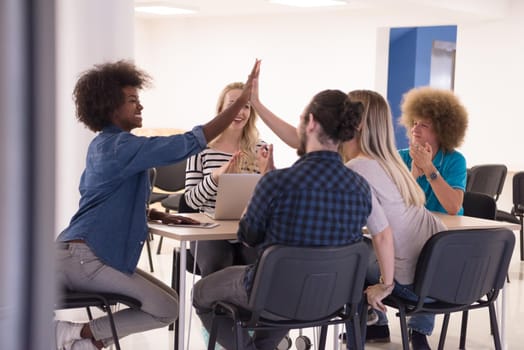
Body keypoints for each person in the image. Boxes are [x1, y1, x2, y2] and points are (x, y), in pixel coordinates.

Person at [54, 59, 259, 350]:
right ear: (110, 108)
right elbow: (189, 142)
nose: (141, 107)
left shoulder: (107, 145)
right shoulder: (120, 147)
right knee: (165, 309)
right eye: (132, 101)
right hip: (86, 258)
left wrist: (157, 215)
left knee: (170, 302)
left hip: (83, 254)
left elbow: (100, 199)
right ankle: (74, 333)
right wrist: (239, 105)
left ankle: (86, 343)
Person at [192, 89, 372, 350]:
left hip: (275, 293)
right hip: (330, 297)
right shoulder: (361, 187)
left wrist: (251, 206)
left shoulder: (276, 182)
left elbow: (248, 236)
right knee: (290, 282)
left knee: (201, 293)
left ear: (310, 123)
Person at [341, 90, 446, 350]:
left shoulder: (358, 167)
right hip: (449, 280)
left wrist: (385, 285)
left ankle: (366, 333)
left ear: (356, 123)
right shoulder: (394, 162)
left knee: (349, 255)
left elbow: (383, 234)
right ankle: (377, 324)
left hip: (416, 287)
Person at [183, 81, 271, 277]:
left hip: (246, 229)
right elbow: (190, 200)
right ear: (221, 109)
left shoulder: (260, 149)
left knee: (262, 263)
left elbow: (270, 200)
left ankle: (246, 309)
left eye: (245, 106)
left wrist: (268, 176)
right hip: (207, 230)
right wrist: (215, 177)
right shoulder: (200, 148)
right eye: (232, 104)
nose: (239, 111)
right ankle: (212, 308)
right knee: (218, 263)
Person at [398, 86, 469, 215]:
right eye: (414, 123)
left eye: (424, 125)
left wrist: (428, 168)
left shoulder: (455, 160)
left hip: (447, 231)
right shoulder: (400, 157)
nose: (415, 129)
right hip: (414, 229)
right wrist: (412, 176)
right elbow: (393, 206)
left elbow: (453, 207)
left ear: (441, 130)